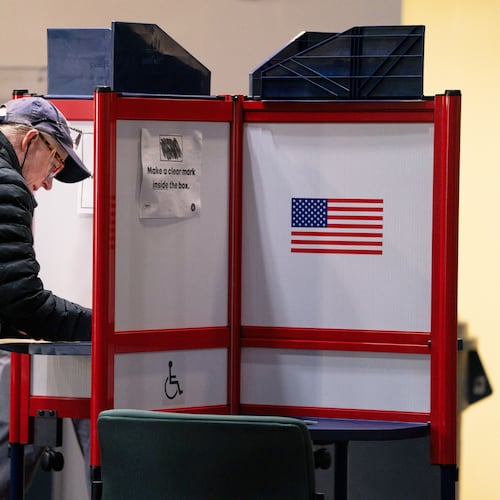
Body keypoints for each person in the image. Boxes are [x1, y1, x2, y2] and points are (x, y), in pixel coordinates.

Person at [0, 96, 92, 499]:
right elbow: (23, 304)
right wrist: (104, 323)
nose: (51, 180)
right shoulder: (7, 185)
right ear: (31, 140)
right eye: (54, 162)